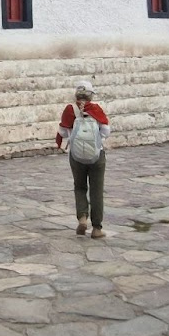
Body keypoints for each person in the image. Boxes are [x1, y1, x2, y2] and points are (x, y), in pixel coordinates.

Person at [55, 80, 109, 238]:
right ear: (91, 95)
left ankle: (82, 218)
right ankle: (97, 228)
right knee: (96, 190)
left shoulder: (70, 109)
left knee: (79, 187)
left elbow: (63, 132)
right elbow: (106, 131)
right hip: (96, 155)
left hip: (76, 155)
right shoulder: (96, 109)